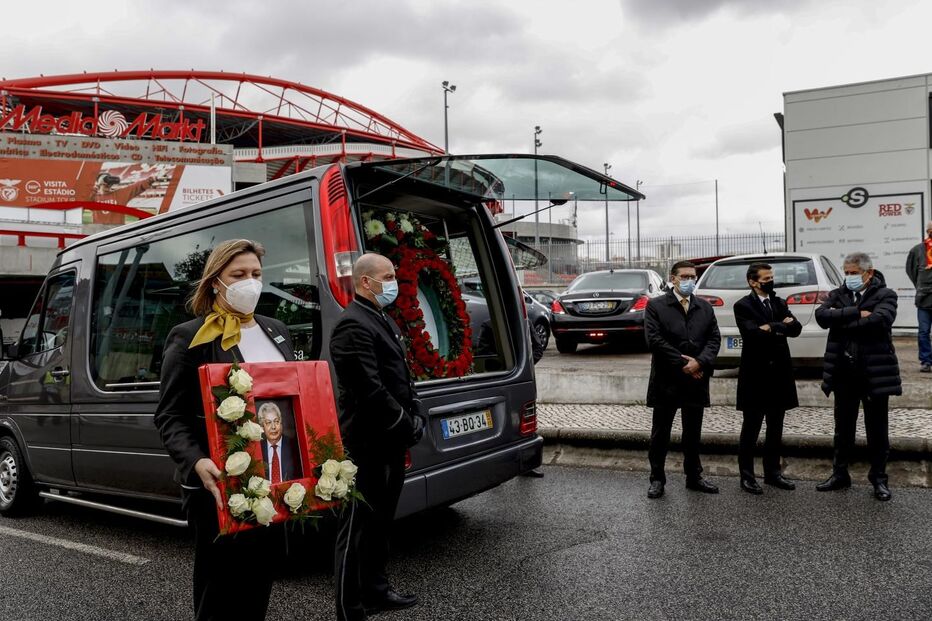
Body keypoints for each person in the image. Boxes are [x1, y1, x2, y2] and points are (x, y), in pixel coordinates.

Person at [154, 239, 295, 620]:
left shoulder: (277, 329)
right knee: (219, 589)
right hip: (218, 487)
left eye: (256, 274)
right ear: (216, 281)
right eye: (239, 275)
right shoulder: (191, 336)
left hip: (274, 481)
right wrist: (195, 461)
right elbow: (170, 416)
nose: (250, 282)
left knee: (259, 581)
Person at [330, 253, 425, 621]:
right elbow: (370, 390)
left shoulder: (381, 317)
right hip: (366, 444)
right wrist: (406, 424)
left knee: (382, 522)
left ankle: (377, 589)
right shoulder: (352, 325)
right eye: (388, 276)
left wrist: (415, 414)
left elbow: (403, 375)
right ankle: (349, 607)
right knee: (355, 529)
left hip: (390, 441)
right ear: (366, 282)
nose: (394, 282)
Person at [814, 252, 901, 501]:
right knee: (843, 429)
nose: (850, 277)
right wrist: (856, 313)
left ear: (868, 273)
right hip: (844, 373)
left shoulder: (886, 294)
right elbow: (822, 317)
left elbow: (880, 320)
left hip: (875, 373)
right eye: (847, 272)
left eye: (854, 273)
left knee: (877, 431)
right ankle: (840, 474)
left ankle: (879, 480)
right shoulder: (838, 294)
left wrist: (841, 320)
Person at [644, 260, 721, 499]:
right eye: (685, 276)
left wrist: (699, 362)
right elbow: (654, 340)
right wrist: (683, 364)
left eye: (693, 276)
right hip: (667, 379)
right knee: (660, 433)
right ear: (673, 278)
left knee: (693, 433)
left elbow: (714, 339)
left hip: (696, 379)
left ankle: (694, 476)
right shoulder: (656, 306)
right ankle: (657, 478)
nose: (690, 280)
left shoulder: (704, 307)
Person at [734, 263, 801, 494]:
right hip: (755, 375)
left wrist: (770, 327)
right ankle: (747, 476)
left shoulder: (779, 302)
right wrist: (780, 326)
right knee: (751, 427)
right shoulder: (743, 305)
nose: (770, 280)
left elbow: (797, 329)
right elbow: (751, 334)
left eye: (772, 276)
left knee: (776, 427)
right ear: (753, 281)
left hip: (779, 375)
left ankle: (773, 473)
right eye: (766, 277)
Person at [905, 222, 932, 372]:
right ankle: (926, 361)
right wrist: (921, 286)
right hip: (924, 299)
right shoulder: (917, 250)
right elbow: (911, 271)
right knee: (923, 332)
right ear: (928, 231)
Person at [257, 402, 300, 483]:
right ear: (262, 427)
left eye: (276, 421)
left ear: (281, 423)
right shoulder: (258, 449)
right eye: (268, 423)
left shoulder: (294, 446)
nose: (273, 427)